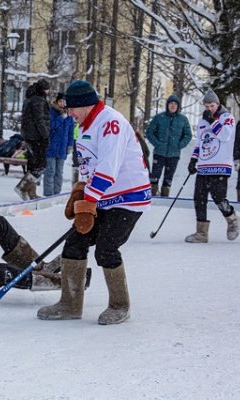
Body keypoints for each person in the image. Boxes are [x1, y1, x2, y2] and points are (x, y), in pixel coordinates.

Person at [37, 80, 151, 325]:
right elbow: (89, 166)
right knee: (75, 242)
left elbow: (108, 169)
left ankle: (120, 305)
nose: (69, 113)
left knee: (107, 248)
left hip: (129, 197)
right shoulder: (84, 126)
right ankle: (70, 304)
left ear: (85, 105)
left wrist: (89, 202)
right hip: (102, 197)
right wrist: (81, 190)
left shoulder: (111, 123)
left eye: (71, 108)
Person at [185, 88, 240, 243]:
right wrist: (193, 159)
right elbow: (199, 142)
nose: (209, 109)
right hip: (204, 164)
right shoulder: (203, 121)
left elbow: (224, 135)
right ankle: (201, 233)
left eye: (212, 106)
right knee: (199, 198)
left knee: (218, 197)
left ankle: (232, 219)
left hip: (221, 164)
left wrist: (213, 121)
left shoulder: (227, 117)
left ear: (218, 104)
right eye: (206, 106)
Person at [145, 94, 193, 197]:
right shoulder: (159, 118)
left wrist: (179, 145)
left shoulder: (183, 119)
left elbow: (188, 135)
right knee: (155, 176)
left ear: (178, 106)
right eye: (171, 103)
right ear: (167, 105)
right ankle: (152, 195)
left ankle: (165, 196)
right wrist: (157, 144)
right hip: (159, 153)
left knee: (168, 177)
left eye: (175, 104)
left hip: (174, 155)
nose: (173, 105)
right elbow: (149, 132)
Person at [15, 78, 50, 200]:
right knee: (40, 164)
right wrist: (45, 136)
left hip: (29, 135)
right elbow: (40, 120)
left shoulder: (30, 98)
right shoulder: (39, 100)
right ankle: (23, 187)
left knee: (33, 164)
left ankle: (31, 192)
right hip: (36, 137)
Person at [44, 92, 75, 196]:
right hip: (51, 147)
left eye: (64, 101)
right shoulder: (51, 113)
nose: (62, 104)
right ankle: (48, 195)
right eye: (60, 101)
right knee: (50, 171)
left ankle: (56, 194)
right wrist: (61, 117)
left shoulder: (69, 115)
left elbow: (71, 131)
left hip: (62, 148)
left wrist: (70, 145)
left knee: (59, 173)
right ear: (56, 102)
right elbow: (51, 126)